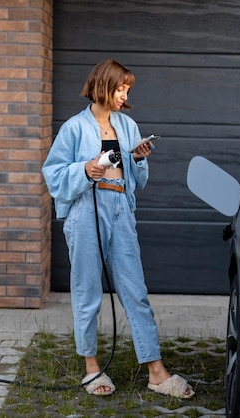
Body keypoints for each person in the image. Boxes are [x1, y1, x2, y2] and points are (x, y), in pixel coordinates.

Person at [41, 59, 194, 399]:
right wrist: (84, 170)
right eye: (120, 88)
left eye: (128, 89)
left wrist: (138, 158)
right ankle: (92, 368)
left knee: (135, 290)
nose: (125, 94)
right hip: (86, 210)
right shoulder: (74, 128)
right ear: (102, 86)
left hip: (120, 209)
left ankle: (157, 373)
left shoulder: (126, 125)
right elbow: (53, 173)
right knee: (87, 290)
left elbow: (136, 181)